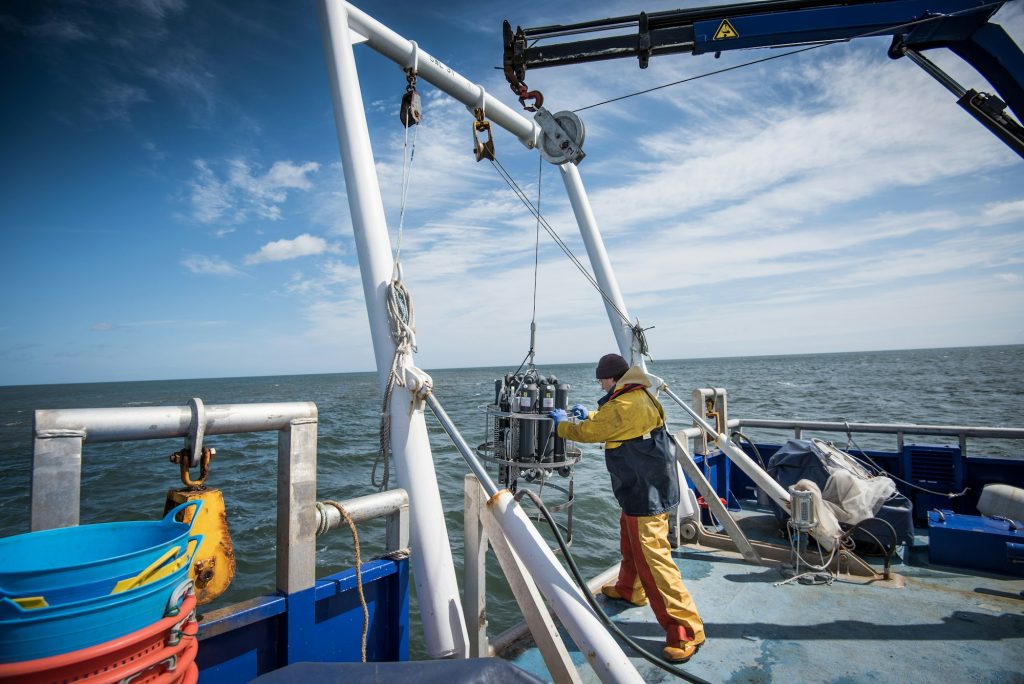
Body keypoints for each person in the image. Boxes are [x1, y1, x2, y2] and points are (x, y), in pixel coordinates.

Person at [549, 353, 705, 663]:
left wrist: (565, 426)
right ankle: (630, 588)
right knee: (630, 541)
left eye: (602, 379)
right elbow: (614, 423)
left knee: (653, 558)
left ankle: (686, 629)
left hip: (646, 491)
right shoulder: (634, 394)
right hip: (643, 485)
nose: (601, 384)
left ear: (613, 378)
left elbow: (593, 433)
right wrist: (590, 413)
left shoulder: (625, 404)